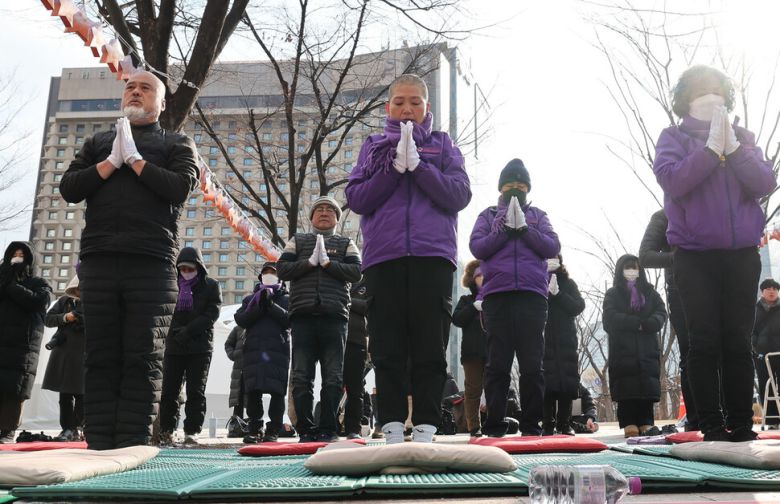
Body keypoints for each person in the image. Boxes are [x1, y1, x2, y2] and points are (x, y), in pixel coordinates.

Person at [59, 70, 199, 449]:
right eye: (130, 87)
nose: (135, 92)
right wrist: (110, 162)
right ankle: (99, 445)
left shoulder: (177, 143)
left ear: (162, 103)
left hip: (151, 263)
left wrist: (135, 160)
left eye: (146, 88)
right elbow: (69, 188)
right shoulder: (98, 143)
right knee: (100, 354)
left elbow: (179, 187)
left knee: (144, 356)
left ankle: (133, 445)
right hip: (99, 261)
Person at [653, 65, 776, 442]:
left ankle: (741, 422)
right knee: (703, 340)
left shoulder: (743, 137)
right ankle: (709, 423)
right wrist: (709, 150)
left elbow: (764, 181)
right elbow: (672, 179)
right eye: (701, 91)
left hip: (741, 255)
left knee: (738, 341)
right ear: (685, 99)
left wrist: (734, 148)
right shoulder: (673, 137)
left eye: (717, 90)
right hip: (694, 256)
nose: (711, 97)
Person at [346, 73, 471, 444]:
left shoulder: (443, 145)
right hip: (383, 257)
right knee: (387, 347)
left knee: (431, 345)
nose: (407, 109)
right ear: (388, 107)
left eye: (415, 102)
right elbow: (357, 198)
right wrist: (393, 168)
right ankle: (392, 426)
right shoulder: (373, 146)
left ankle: (428, 426)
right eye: (399, 102)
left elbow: (459, 194)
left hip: (433, 256)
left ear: (426, 107)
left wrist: (420, 167)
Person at [469, 159, 560, 437]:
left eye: (521, 185)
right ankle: (494, 426)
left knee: (533, 364)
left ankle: (532, 425)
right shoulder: (488, 216)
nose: (515, 189)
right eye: (510, 185)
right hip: (498, 296)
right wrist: (504, 230)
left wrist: (525, 230)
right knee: (498, 364)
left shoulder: (538, 216)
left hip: (532, 296)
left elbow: (552, 245)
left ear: (528, 188)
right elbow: (478, 247)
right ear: (501, 188)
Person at [277, 197, 362, 443]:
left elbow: (356, 272)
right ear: (312, 216)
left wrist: (328, 264)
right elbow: (282, 268)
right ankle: (305, 429)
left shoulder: (346, 243)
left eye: (330, 210)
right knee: (301, 375)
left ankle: (329, 428)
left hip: (335, 317)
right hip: (302, 316)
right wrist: (308, 263)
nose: (324, 213)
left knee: (333, 376)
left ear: (337, 218)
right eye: (319, 209)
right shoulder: (297, 240)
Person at [639, 209, 700, 431]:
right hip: (681, 288)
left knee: (720, 350)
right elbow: (645, 255)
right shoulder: (663, 216)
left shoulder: (709, 207)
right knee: (691, 352)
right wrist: (681, 258)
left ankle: (724, 414)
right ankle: (697, 418)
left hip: (717, 285)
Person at [158, 247, 222, 446]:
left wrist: (188, 331)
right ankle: (166, 430)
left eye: (190, 268)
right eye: (182, 269)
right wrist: (176, 332)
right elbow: (164, 311)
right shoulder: (171, 285)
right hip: (174, 345)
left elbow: (211, 314)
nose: (186, 272)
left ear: (199, 267)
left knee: (196, 391)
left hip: (200, 347)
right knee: (169, 390)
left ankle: (192, 431)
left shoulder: (211, 286)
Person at [603, 254, 667, 438]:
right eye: (628, 267)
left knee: (646, 385)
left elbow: (661, 312)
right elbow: (609, 318)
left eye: (635, 268)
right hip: (622, 348)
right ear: (620, 270)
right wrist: (634, 322)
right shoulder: (613, 294)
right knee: (627, 386)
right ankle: (628, 422)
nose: (631, 271)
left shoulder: (650, 293)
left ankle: (646, 421)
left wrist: (650, 323)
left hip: (647, 346)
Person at [0, 242, 53, 444]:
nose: (17, 258)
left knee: (15, 388)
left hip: (22, 346)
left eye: (22, 255)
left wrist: (12, 286)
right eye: (14, 254)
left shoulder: (39, 283)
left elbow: (40, 302)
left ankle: (7, 430)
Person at [235, 262, 291, 444]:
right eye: (266, 272)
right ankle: (255, 429)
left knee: (277, 393)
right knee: (253, 392)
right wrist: (260, 304)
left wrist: (271, 305)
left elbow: (290, 320)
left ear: (279, 277)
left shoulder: (287, 299)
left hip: (278, 351)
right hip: (254, 351)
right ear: (260, 277)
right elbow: (241, 318)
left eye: (272, 273)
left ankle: (273, 430)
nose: (269, 275)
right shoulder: (250, 299)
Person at [542, 254, 586, 436]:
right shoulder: (536, 281)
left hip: (566, 339)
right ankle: (547, 424)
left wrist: (558, 294)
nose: (551, 261)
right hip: (544, 338)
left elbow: (578, 306)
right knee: (547, 384)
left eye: (554, 258)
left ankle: (564, 423)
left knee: (567, 383)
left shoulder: (569, 283)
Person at [42, 274, 85, 442]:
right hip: (64, 353)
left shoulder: (95, 302)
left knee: (83, 395)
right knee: (65, 395)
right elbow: (48, 319)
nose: (80, 291)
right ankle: (67, 429)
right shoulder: (64, 301)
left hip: (85, 353)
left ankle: (76, 428)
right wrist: (66, 317)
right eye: (78, 288)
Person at [451, 259, 488, 437]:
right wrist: (473, 307)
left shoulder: (495, 299)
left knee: (494, 389)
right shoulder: (465, 300)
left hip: (493, 351)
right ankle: (474, 427)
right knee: (472, 390)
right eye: (478, 275)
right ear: (472, 278)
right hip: (471, 353)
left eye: (484, 274)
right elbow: (457, 319)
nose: (482, 278)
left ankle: (494, 424)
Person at [342, 278, 369, 439]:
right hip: (334, 340)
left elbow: (370, 306)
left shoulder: (367, 281)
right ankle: (329, 427)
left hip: (356, 340)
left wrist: (347, 301)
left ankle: (353, 428)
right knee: (331, 385)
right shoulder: (336, 276)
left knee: (355, 388)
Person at [752, 278, 780, 429]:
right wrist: (755, 348)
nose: (772, 291)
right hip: (762, 355)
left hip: (779, 352)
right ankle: (771, 421)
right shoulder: (754, 309)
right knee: (765, 385)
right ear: (762, 291)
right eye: (768, 288)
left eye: (775, 289)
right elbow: (750, 330)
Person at [224, 325, 248, 438]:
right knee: (238, 399)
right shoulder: (238, 328)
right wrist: (233, 354)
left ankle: (252, 428)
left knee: (253, 400)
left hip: (253, 369)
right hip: (239, 371)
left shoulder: (258, 326)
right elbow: (228, 344)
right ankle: (236, 428)